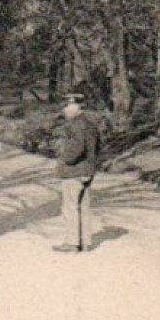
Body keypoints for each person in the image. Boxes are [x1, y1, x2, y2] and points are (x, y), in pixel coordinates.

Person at [52, 95, 107, 252]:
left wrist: (65, 160)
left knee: (70, 207)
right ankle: (85, 242)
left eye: (67, 107)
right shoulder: (91, 125)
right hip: (87, 171)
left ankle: (72, 243)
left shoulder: (74, 125)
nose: (64, 111)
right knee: (84, 207)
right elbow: (97, 148)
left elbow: (76, 148)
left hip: (73, 171)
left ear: (75, 108)